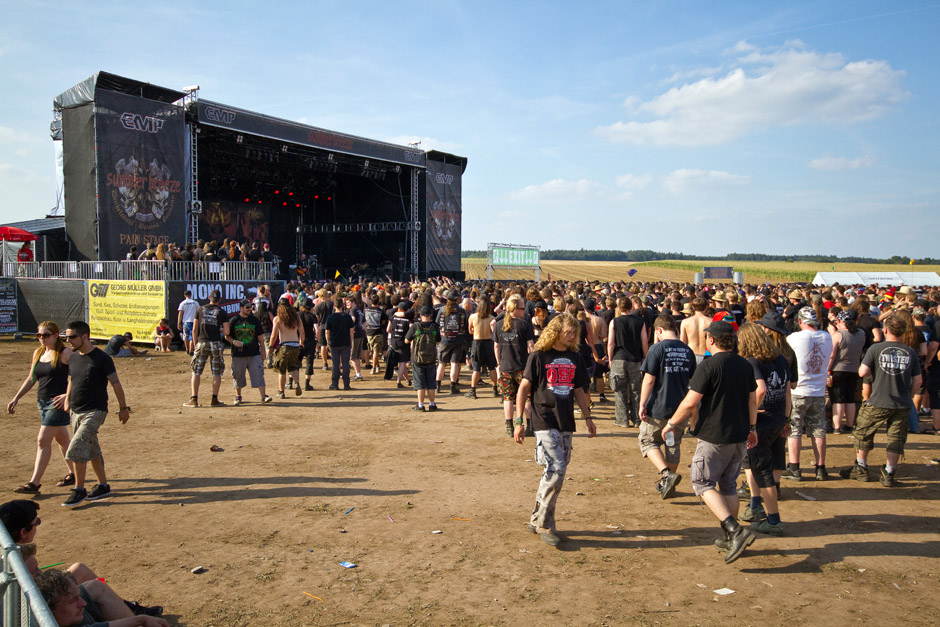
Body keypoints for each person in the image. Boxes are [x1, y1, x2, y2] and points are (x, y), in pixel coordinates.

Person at [662, 321, 758, 564]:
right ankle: (729, 535)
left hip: (715, 435)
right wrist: (752, 428)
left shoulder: (709, 365)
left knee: (702, 482)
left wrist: (672, 423)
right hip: (739, 434)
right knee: (728, 484)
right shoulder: (745, 365)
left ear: (712, 340)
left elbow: (690, 401)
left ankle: (734, 531)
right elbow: (751, 401)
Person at [2, 500, 165, 623]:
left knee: (81, 571)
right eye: (36, 523)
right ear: (23, 532)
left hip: (27, 602)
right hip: (33, 609)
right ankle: (125, 608)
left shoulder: (8, 547)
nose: (38, 525)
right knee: (91, 583)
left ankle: (123, 603)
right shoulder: (19, 558)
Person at [513, 313, 596, 547]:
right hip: (543, 419)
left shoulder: (575, 356)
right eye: (568, 332)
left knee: (554, 472)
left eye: (575, 332)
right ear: (556, 331)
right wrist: (519, 421)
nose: (572, 335)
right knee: (557, 469)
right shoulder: (539, 356)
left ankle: (536, 517)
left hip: (566, 420)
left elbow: (578, 388)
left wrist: (588, 417)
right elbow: (523, 389)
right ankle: (546, 524)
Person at [840, 314, 921, 486]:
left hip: (878, 399)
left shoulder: (876, 349)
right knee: (896, 437)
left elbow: (862, 372)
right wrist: (910, 395)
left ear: (885, 330)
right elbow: (918, 381)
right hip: (902, 402)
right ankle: (889, 473)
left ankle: (861, 467)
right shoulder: (910, 352)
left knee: (863, 432)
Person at [60, 321, 130, 508]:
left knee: (75, 449)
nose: (68, 340)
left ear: (84, 336)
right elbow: (71, 380)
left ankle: (79, 489)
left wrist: (123, 408)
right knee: (92, 449)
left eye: (72, 336)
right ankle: (103, 486)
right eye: (66, 337)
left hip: (95, 411)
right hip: (76, 411)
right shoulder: (73, 358)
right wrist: (67, 399)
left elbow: (115, 383)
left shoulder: (102, 358)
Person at [7, 322, 75, 495]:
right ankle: (74, 473)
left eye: (46, 335)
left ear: (55, 335)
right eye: (39, 335)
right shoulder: (38, 353)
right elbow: (31, 378)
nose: (42, 338)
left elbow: (78, 377)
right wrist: (16, 398)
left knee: (42, 440)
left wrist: (67, 396)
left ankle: (34, 483)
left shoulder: (65, 353)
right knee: (62, 439)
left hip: (57, 404)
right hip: (42, 402)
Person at [736, 323, 791, 536]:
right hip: (778, 419)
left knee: (763, 472)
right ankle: (755, 505)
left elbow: (760, 390)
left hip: (762, 422)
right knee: (754, 465)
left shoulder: (752, 362)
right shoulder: (779, 359)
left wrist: (751, 419)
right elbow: (787, 391)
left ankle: (773, 520)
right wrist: (786, 418)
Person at [638, 314, 695, 500]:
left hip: (658, 407)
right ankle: (667, 485)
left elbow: (649, 379)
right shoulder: (687, 351)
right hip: (680, 408)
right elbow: (693, 382)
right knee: (672, 444)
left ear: (659, 330)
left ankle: (666, 474)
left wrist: (642, 404)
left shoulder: (657, 349)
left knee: (648, 441)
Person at [782, 307, 833, 482]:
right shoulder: (826, 336)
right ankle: (820, 468)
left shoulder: (794, 338)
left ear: (801, 321)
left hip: (798, 389)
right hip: (818, 390)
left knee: (794, 430)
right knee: (818, 430)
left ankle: (794, 467)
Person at [35, 568, 169, 627]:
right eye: (72, 600)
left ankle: (129, 606)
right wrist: (140, 620)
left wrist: (141, 619)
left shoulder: (60, 617)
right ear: (47, 609)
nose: (82, 603)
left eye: (78, 597)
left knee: (95, 585)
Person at [494, 294, 535, 437]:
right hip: (523, 367)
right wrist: (532, 361)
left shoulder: (499, 325)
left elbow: (496, 347)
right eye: (523, 308)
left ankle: (509, 426)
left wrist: (498, 364)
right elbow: (531, 346)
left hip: (505, 366)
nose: (525, 311)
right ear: (515, 309)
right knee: (527, 397)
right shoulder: (524, 325)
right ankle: (529, 426)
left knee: (508, 397)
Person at [183, 290, 229, 408]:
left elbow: (194, 329)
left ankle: (194, 399)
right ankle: (214, 399)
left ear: (209, 297)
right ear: (220, 299)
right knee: (216, 372)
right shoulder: (222, 312)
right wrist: (220, 330)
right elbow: (227, 331)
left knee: (196, 371)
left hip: (202, 341)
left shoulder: (200, 310)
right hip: (216, 343)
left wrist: (194, 343)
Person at [608, 296, 648, 427]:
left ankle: (622, 419)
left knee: (620, 390)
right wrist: (645, 357)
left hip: (619, 358)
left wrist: (609, 359)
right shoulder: (640, 322)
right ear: (631, 307)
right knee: (636, 390)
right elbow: (644, 342)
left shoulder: (614, 322)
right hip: (635, 359)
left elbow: (611, 343)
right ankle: (637, 419)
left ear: (619, 308)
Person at [226, 299, 272, 405]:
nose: (249, 309)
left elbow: (260, 337)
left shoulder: (254, 320)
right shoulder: (234, 320)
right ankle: (238, 396)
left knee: (259, 373)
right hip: (238, 354)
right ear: (241, 308)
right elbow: (227, 336)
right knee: (238, 375)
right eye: (247, 307)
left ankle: (263, 396)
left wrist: (263, 352)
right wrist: (233, 341)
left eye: (251, 307)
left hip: (254, 353)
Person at [827, 309, 865, 433]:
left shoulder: (838, 335)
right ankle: (849, 424)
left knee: (837, 399)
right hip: (854, 369)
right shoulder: (861, 334)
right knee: (850, 398)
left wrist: (827, 371)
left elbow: (831, 355)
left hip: (837, 369)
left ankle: (836, 426)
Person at [404, 306, 441, 411]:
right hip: (431, 358)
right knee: (431, 383)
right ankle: (432, 404)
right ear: (430, 315)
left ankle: (420, 405)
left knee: (419, 383)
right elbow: (438, 341)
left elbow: (406, 340)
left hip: (417, 358)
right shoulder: (434, 327)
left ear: (420, 315)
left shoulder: (416, 326)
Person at [435, 289, 469, 394]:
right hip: (458, 339)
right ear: (457, 299)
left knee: (442, 363)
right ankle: (452, 386)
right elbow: (465, 325)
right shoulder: (461, 311)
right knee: (454, 363)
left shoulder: (442, 310)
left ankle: (438, 386)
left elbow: (437, 323)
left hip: (445, 340)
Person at [465, 296, 499, 399]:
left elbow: (470, 330)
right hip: (488, 342)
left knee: (476, 368)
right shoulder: (492, 318)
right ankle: (495, 389)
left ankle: (473, 390)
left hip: (477, 342)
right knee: (492, 367)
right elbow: (494, 333)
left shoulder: (473, 317)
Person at [269, 299, 304, 398]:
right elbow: (302, 331)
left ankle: (281, 391)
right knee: (294, 367)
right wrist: (301, 342)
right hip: (295, 345)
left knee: (282, 370)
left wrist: (271, 347)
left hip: (284, 345)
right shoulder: (296, 317)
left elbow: (274, 335)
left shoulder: (278, 318)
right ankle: (297, 383)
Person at [324, 295, 354, 391]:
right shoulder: (347, 316)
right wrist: (351, 341)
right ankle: (346, 384)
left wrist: (328, 342)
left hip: (334, 342)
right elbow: (351, 330)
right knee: (345, 363)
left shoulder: (330, 317)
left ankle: (334, 383)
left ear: (334, 306)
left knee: (335, 364)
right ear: (343, 305)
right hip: (345, 342)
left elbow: (327, 332)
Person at [679, 297, 710, 362]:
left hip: (691, 354)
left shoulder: (685, 322)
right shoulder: (711, 322)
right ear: (706, 307)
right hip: (706, 355)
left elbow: (682, 342)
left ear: (693, 307)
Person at [298, 300, 318, 391]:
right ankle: (307, 383)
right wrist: (317, 340)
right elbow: (316, 330)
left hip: (298, 341)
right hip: (310, 340)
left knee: (295, 362)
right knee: (309, 362)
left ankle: (291, 382)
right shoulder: (312, 316)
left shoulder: (297, 315)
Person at [252, 285, 275, 368]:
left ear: (259, 291)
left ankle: (260, 362)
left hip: (258, 329)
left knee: (258, 347)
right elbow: (271, 308)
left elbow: (253, 309)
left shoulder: (254, 300)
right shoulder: (267, 301)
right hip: (266, 329)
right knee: (268, 346)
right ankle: (269, 362)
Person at [176, 290, 199, 356]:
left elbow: (180, 313)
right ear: (191, 295)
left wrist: (179, 323)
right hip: (193, 321)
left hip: (185, 321)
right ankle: (191, 350)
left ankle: (187, 349)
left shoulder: (182, 303)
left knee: (186, 336)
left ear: (185, 295)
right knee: (192, 336)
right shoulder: (195, 303)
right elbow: (198, 311)